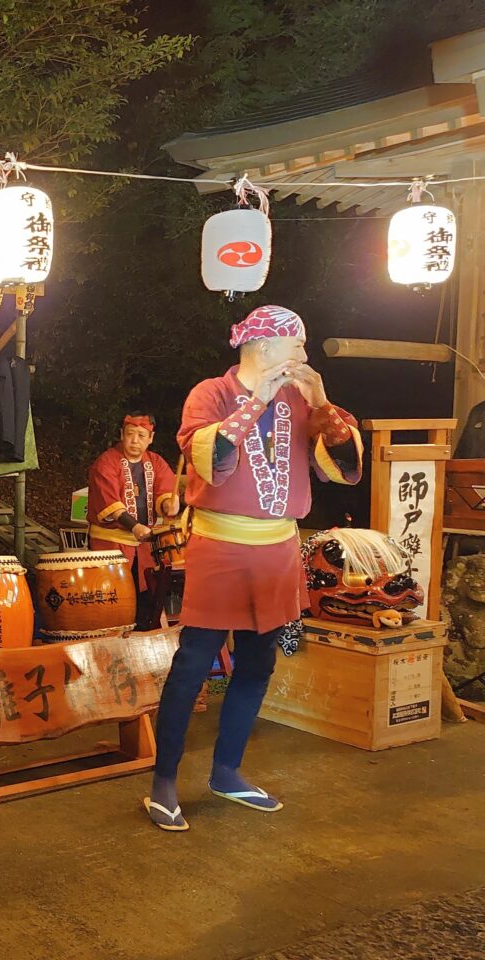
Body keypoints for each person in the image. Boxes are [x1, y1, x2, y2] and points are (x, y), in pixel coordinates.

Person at [143, 305, 362, 832]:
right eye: (299, 345)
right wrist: (257, 399)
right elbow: (207, 458)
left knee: (259, 663)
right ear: (265, 349)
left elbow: (347, 466)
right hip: (221, 546)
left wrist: (323, 403)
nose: (306, 356)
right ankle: (164, 782)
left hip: (280, 548)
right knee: (194, 663)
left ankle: (227, 771)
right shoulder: (211, 394)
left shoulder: (300, 398)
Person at [87, 413, 180, 630]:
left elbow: (166, 490)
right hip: (112, 543)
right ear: (121, 434)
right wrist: (135, 526)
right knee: (115, 595)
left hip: (145, 543)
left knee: (147, 593)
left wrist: (169, 503)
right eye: (130, 434)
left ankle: (145, 634)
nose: (135, 440)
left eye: (141, 435)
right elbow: (110, 503)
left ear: (151, 438)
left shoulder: (156, 462)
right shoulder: (106, 462)